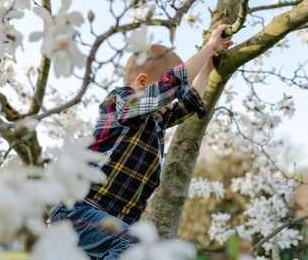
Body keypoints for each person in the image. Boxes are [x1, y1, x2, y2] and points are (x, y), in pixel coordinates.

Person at [50, 24, 233, 260]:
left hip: (111, 230)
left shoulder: (156, 122)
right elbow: (168, 87)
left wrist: (207, 69)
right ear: (143, 83)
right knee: (138, 247)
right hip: (78, 212)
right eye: (167, 96)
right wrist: (209, 48)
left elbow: (187, 105)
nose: (170, 102)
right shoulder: (121, 103)